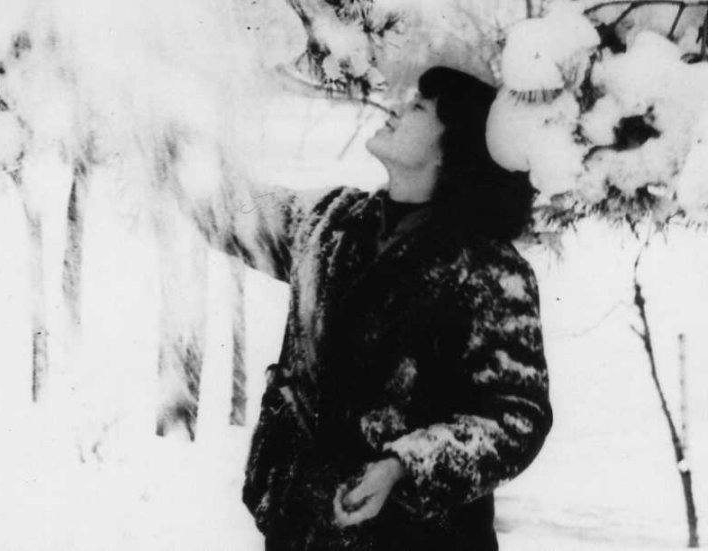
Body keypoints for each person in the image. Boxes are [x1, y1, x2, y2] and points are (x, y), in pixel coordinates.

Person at [190, 66, 552, 550]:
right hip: (303, 531)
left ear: (451, 150)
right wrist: (160, 133)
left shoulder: (489, 271)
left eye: (419, 108)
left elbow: (517, 418)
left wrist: (404, 466)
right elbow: (227, 210)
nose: (397, 110)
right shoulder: (330, 222)